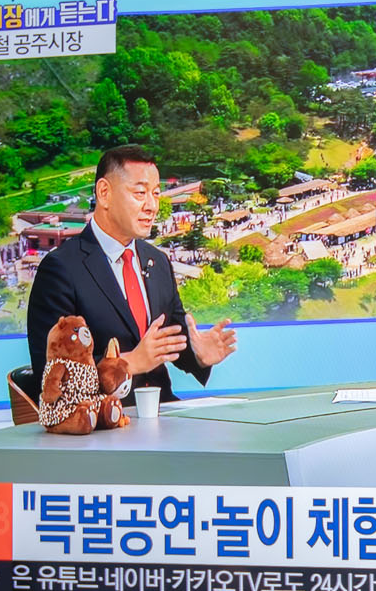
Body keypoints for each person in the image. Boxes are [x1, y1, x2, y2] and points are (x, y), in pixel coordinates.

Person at [27, 144, 237, 403]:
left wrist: (199, 355)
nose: (152, 206)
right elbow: (52, 376)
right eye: (140, 193)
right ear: (104, 193)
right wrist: (129, 363)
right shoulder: (60, 270)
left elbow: (170, 343)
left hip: (162, 412)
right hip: (101, 420)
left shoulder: (157, 262)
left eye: (156, 193)